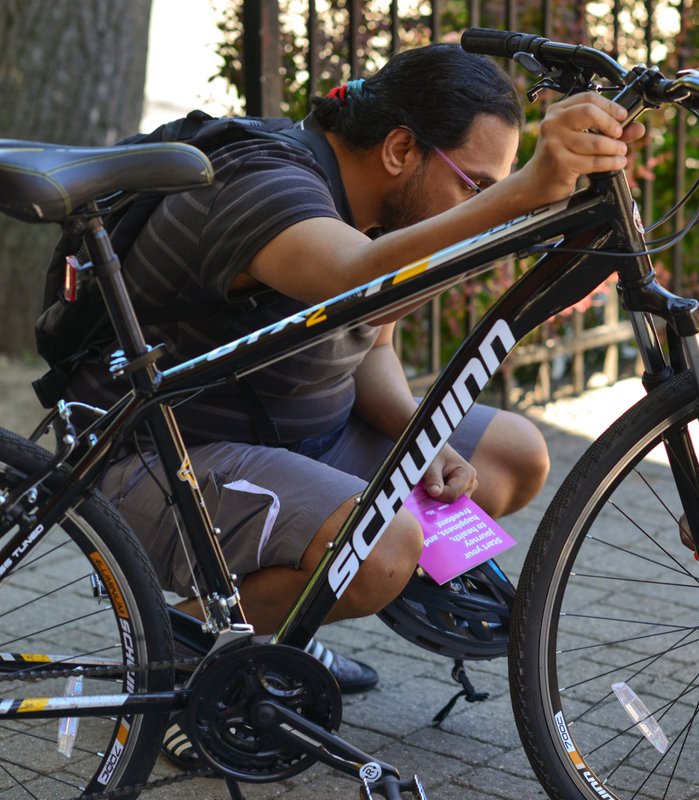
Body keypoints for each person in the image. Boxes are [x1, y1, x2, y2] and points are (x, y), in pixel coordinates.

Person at [65, 43, 642, 763]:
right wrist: (526, 190)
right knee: (384, 544)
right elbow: (353, 276)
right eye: (477, 186)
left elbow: (371, 345)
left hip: (298, 440)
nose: (487, 209)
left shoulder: (377, 204)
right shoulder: (265, 183)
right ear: (402, 148)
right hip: (160, 463)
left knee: (513, 456)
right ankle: (179, 647)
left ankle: (284, 631)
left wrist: (420, 437)